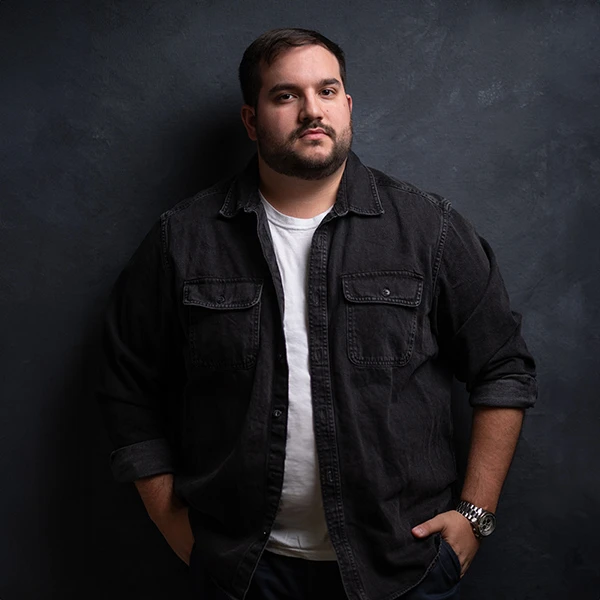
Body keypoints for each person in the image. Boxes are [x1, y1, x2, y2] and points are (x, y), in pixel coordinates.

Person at [97, 28, 537, 600]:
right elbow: (128, 386)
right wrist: (170, 522)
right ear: (252, 120)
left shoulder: (430, 230)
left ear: (347, 105)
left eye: (327, 91)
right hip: (244, 571)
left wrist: (474, 516)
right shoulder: (182, 239)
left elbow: (503, 368)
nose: (312, 111)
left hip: (402, 568)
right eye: (286, 96)